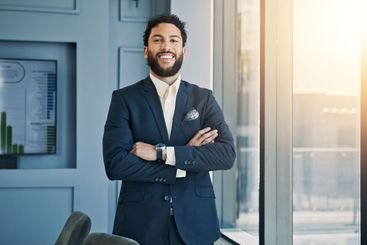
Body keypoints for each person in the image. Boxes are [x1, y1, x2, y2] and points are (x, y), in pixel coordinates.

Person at [103, 14, 236, 245]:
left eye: (174, 40)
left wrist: (162, 153)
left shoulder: (203, 99)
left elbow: (226, 155)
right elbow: (116, 164)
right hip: (140, 224)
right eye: (158, 40)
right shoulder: (124, 99)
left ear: (184, 50)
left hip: (196, 223)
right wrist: (181, 166)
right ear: (146, 50)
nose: (166, 46)